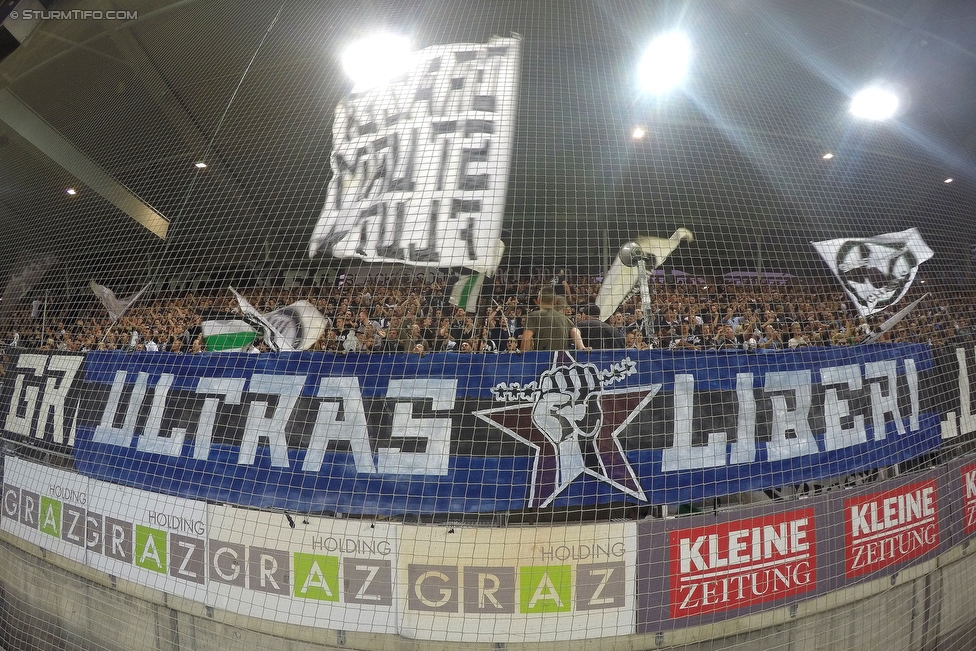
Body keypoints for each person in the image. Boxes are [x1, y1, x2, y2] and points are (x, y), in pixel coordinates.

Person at [521, 287, 589, 352]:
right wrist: (582, 347)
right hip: (561, 360)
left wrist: (523, 358)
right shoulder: (565, 319)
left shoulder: (533, 316)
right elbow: (574, 332)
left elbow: (526, 338)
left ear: (538, 300)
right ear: (555, 301)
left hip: (542, 358)